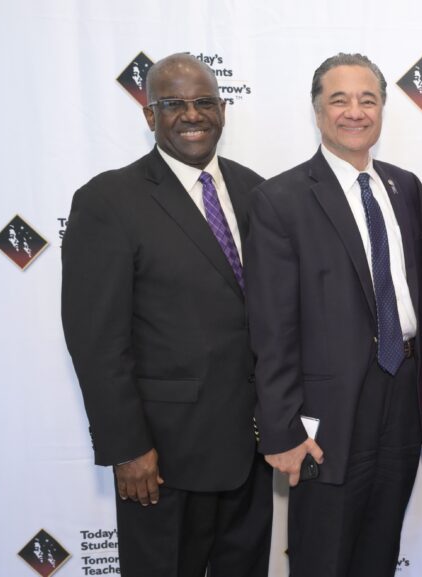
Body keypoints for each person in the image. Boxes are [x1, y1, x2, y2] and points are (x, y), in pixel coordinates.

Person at [61, 53, 272, 577]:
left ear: (223, 110)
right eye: (173, 103)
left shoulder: (257, 191)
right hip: (162, 459)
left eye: (204, 102)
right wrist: (127, 448)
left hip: (251, 449)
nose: (192, 115)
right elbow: (96, 341)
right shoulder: (108, 200)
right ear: (149, 114)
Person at [245, 53, 422, 577]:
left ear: (382, 109)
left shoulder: (406, 188)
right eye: (339, 100)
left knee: (379, 549)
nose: (355, 112)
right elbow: (271, 328)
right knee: (324, 555)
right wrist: (280, 430)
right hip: (325, 412)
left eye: (368, 100)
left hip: (402, 392)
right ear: (317, 110)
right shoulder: (279, 199)